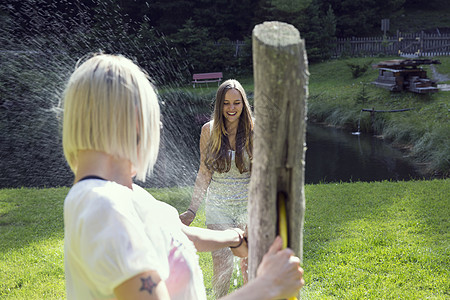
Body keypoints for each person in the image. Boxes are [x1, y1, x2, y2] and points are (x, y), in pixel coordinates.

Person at [62, 53, 304, 300]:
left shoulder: (127, 197)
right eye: (154, 115)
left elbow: (179, 234)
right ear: (134, 120)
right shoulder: (105, 209)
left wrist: (234, 238)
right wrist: (266, 286)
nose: (158, 126)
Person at [179, 79, 253, 297]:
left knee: (248, 265)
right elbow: (204, 172)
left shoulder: (254, 130)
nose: (231, 108)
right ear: (219, 105)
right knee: (222, 266)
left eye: (236, 103)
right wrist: (192, 211)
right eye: (226, 103)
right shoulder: (208, 131)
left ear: (243, 104)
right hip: (217, 207)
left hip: (246, 206)